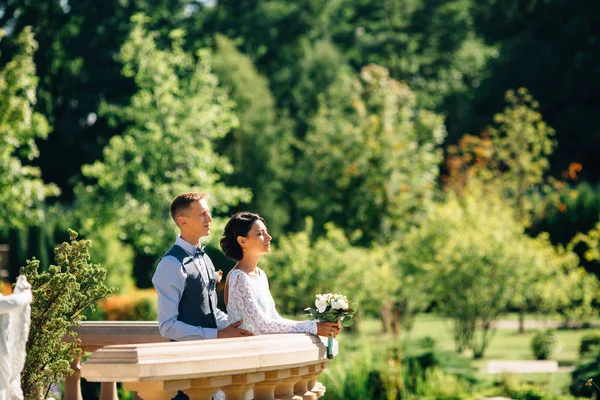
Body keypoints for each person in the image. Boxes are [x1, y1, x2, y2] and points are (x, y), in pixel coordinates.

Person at [220, 212, 340, 337]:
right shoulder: (239, 277)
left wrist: (316, 324)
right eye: (260, 234)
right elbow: (262, 325)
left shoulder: (261, 275)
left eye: (266, 232)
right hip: (246, 351)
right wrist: (313, 327)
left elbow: (274, 318)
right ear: (242, 241)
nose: (269, 237)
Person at [152, 192, 253, 341]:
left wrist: (241, 326)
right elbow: (168, 327)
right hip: (186, 358)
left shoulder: (205, 258)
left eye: (209, 213)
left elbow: (211, 312)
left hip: (210, 354)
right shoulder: (170, 264)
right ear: (182, 221)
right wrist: (218, 335)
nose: (210, 219)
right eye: (202, 214)